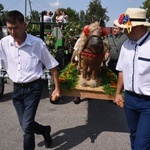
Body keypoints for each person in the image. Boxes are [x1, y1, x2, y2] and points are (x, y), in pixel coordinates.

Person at [0, 10, 61, 149]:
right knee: (25, 124)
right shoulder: (3, 44)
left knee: (27, 127)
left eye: (15, 28)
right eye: (9, 28)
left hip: (33, 89)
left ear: (24, 25)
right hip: (16, 89)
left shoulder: (37, 44)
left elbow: (52, 66)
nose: (12, 32)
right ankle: (45, 130)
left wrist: (57, 88)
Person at [114, 8, 150, 150]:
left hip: (148, 103)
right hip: (130, 100)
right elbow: (121, 70)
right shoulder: (126, 45)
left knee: (142, 145)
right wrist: (118, 93)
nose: (123, 31)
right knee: (134, 136)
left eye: (125, 28)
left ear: (134, 27)